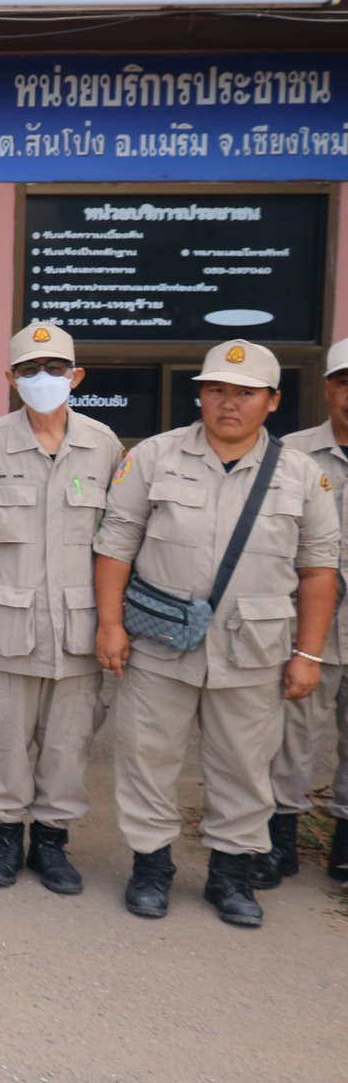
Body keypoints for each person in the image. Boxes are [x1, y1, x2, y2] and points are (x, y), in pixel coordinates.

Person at [94, 340, 340, 927]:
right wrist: (110, 624)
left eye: (245, 393)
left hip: (254, 649)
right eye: (217, 390)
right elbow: (116, 544)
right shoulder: (153, 456)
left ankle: (230, 875)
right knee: (147, 755)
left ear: (273, 401)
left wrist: (308, 654)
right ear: (201, 395)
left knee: (244, 764)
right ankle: (151, 867)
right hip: (159, 642)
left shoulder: (301, 475)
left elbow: (318, 570)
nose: (229, 403)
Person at [0, 323, 123, 895]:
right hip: (7, 623)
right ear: (11, 378)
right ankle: (4, 837)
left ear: (77, 376)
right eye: (29, 369)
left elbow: (120, 534)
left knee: (69, 742)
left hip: (79, 624)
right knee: (4, 738)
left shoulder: (104, 445)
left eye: (55, 368)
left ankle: (52, 841)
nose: (43, 378)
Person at [271, 338, 348, 885]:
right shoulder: (291, 453)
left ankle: (345, 840)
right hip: (306, 627)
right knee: (290, 738)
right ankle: (279, 840)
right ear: (327, 389)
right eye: (345, 383)